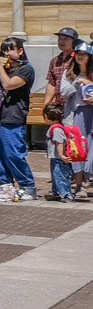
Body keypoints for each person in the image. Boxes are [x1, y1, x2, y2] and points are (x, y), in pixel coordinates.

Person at [0, 36, 37, 199]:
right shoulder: (2, 68)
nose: (6, 53)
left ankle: (27, 186)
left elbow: (9, 85)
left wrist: (0, 66)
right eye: (4, 50)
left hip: (13, 116)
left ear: (20, 51)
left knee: (13, 153)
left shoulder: (26, 69)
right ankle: (5, 184)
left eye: (10, 49)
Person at [62, 45, 93, 198]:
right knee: (78, 150)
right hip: (76, 114)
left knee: (91, 150)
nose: (80, 57)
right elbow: (63, 92)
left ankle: (88, 181)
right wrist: (76, 83)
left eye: (84, 54)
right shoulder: (69, 74)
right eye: (78, 54)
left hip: (91, 113)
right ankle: (79, 186)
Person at [44, 104, 79, 202]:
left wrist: (61, 155)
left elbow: (59, 142)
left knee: (61, 175)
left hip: (59, 158)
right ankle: (56, 191)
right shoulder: (56, 127)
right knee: (56, 175)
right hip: (55, 158)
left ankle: (67, 194)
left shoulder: (57, 129)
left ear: (47, 116)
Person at [46, 27, 81, 108]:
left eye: (65, 39)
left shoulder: (79, 59)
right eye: (59, 38)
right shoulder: (54, 61)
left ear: (74, 41)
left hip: (77, 105)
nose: (61, 41)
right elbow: (52, 84)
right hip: (60, 107)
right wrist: (46, 105)